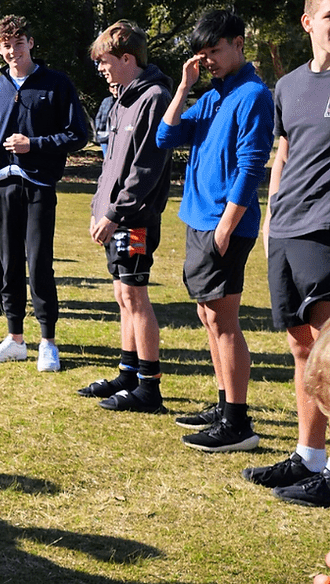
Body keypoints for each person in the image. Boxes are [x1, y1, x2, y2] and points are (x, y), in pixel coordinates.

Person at [156, 9, 272, 451]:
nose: (209, 61)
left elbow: (250, 167)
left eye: (215, 51)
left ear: (239, 43)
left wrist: (227, 225)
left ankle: (237, 423)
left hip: (225, 224)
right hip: (198, 219)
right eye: (202, 55)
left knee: (223, 320)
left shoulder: (253, 95)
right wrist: (184, 85)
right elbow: (167, 138)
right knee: (208, 315)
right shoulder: (214, 95)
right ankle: (224, 403)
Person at [242, 0, 330, 500]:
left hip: (326, 229)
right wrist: (273, 213)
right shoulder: (290, 84)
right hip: (287, 227)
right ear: (308, 21)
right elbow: (285, 152)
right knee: (301, 346)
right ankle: (308, 456)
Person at [0, 15, 89, 372]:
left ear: (31, 43)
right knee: (7, 266)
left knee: (38, 265)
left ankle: (47, 342)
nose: (12, 51)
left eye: (18, 43)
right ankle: (15, 339)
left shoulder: (56, 84)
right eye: (6, 45)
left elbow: (77, 135)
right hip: (0, 189)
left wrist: (32, 145)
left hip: (38, 186)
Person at [78, 21, 174, 415]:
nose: (100, 68)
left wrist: (115, 213)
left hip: (134, 218)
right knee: (122, 295)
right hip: (113, 217)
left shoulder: (154, 97)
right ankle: (127, 372)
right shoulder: (119, 100)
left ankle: (149, 387)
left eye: (105, 60)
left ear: (127, 58)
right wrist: (98, 208)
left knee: (135, 295)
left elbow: (145, 169)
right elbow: (111, 165)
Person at [94, 83, 117, 157]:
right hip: (104, 134)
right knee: (106, 157)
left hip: (117, 135)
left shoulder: (125, 101)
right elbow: (98, 116)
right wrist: (98, 128)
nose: (115, 88)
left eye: (118, 86)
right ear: (110, 89)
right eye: (113, 86)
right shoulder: (106, 101)